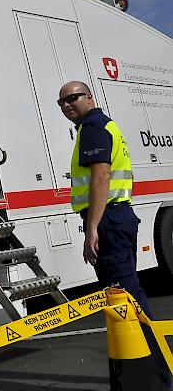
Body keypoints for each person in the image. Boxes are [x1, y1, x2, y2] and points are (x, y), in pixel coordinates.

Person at [58, 80, 171, 390]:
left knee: (127, 300)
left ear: (89, 97)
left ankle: (159, 376)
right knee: (124, 299)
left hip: (108, 220)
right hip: (116, 218)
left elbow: (101, 175)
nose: (67, 104)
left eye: (73, 98)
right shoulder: (99, 125)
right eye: (62, 102)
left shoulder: (93, 126)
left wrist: (91, 227)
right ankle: (137, 376)